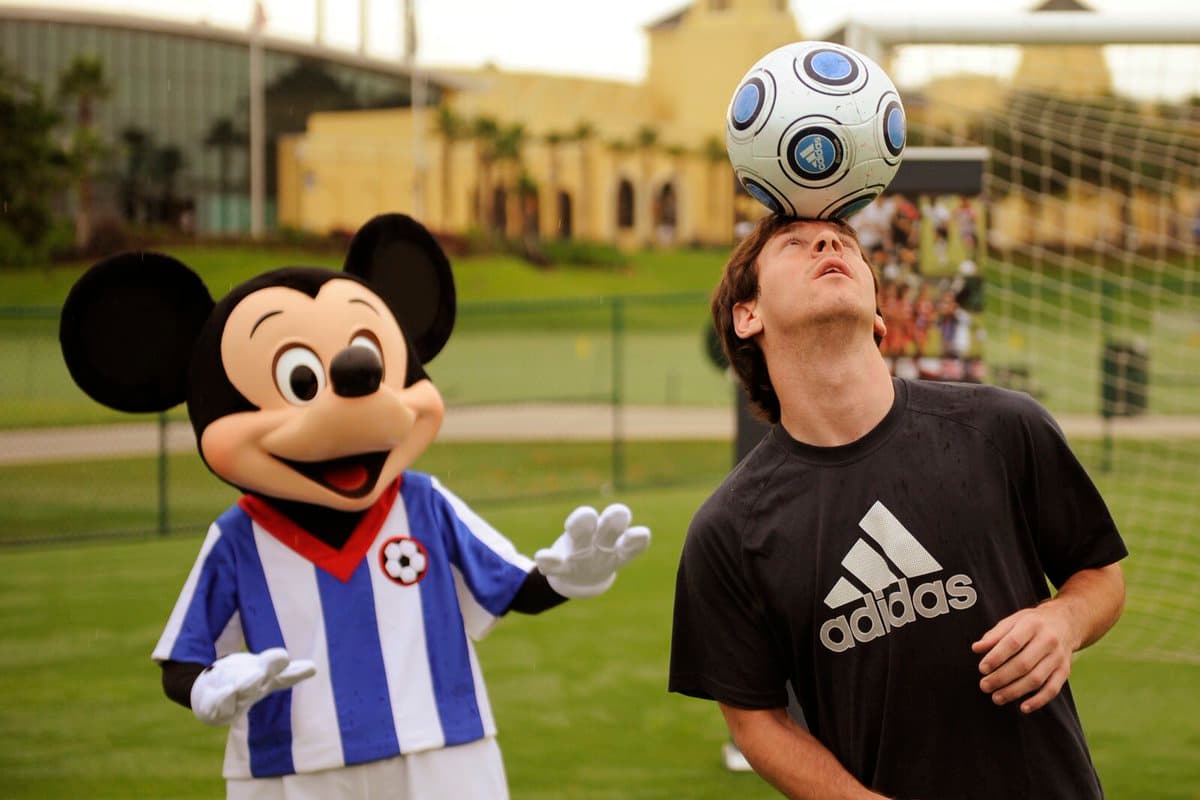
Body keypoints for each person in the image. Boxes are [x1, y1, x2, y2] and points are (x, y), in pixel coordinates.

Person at [668, 214, 1127, 800]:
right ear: (747, 314)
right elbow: (755, 722)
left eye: (844, 245)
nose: (830, 245)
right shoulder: (727, 529)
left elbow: (1102, 576)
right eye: (795, 244)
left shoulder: (1002, 426)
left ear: (879, 313)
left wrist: (1065, 621)